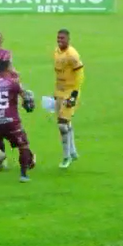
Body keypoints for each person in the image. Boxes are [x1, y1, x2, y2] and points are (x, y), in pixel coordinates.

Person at [53, 29, 84, 169]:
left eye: (63, 38)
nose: (60, 40)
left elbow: (80, 75)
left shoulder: (72, 55)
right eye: (58, 38)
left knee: (62, 124)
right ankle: (73, 152)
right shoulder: (56, 52)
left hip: (70, 91)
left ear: (68, 39)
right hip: (59, 91)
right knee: (65, 122)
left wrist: (74, 95)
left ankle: (66, 157)